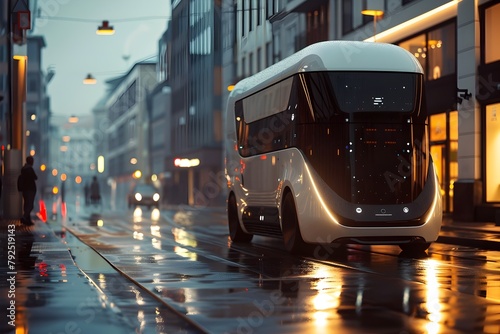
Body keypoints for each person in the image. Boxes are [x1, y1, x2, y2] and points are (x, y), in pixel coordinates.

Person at [20, 156, 37, 226]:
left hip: (25, 189)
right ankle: (24, 217)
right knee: (30, 205)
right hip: (30, 189)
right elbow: (35, 177)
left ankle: (27, 220)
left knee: (27, 204)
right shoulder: (30, 169)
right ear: (30, 161)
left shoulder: (23, 169)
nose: (33, 162)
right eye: (32, 161)